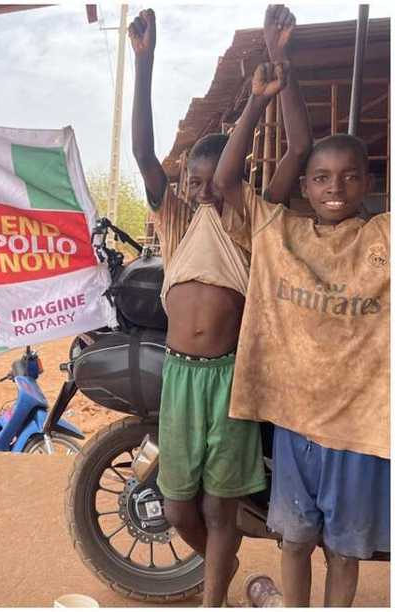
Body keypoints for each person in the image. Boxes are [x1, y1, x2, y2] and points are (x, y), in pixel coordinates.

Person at [127, 8, 307, 604]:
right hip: (180, 378)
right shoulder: (176, 222)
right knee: (179, 508)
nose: (203, 189)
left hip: (231, 379)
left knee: (218, 508)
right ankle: (222, 573)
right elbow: (143, 153)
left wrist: (278, 70)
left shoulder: (248, 221)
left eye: (211, 180)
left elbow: (296, 152)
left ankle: (212, 601)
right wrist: (144, 64)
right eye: (194, 181)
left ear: (232, 176)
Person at [214, 46, 390, 607]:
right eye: (321, 177)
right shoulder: (279, 233)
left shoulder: (383, 239)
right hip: (295, 425)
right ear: (306, 187)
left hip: (360, 431)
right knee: (293, 541)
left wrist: (285, 75)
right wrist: (264, 92)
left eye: (349, 176)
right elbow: (225, 180)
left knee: (344, 551)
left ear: (368, 182)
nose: (335, 187)